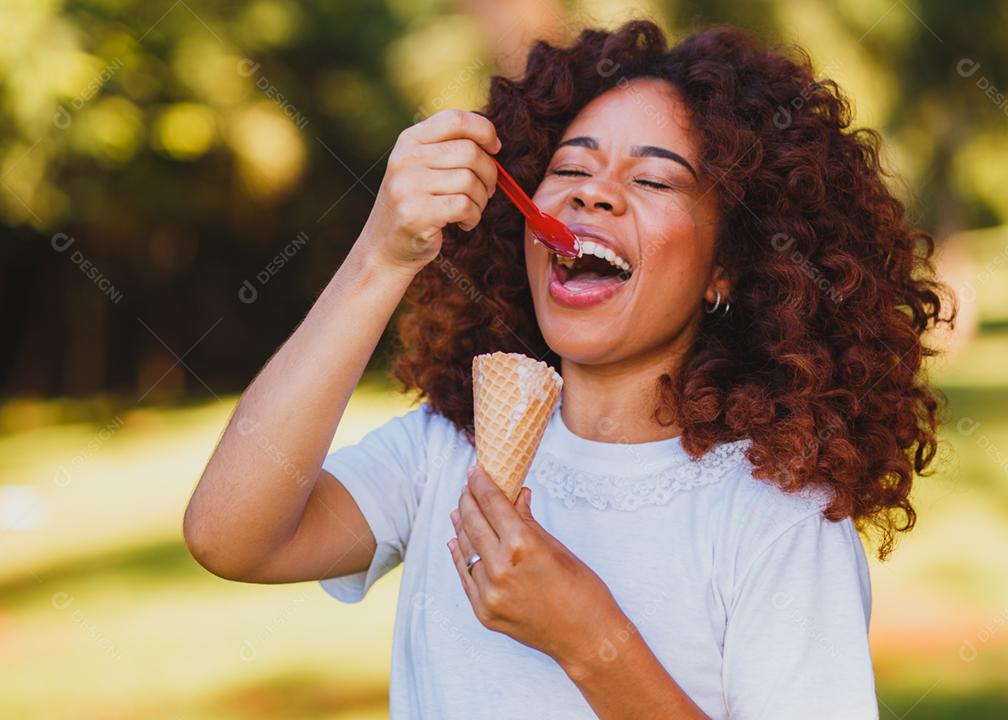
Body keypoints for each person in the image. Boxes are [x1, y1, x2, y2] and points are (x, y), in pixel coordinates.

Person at [183, 18, 953, 719]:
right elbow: (229, 537)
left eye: (652, 180)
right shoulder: (444, 451)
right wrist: (383, 256)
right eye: (570, 167)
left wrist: (589, 642)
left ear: (726, 269)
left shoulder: (775, 517)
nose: (593, 194)